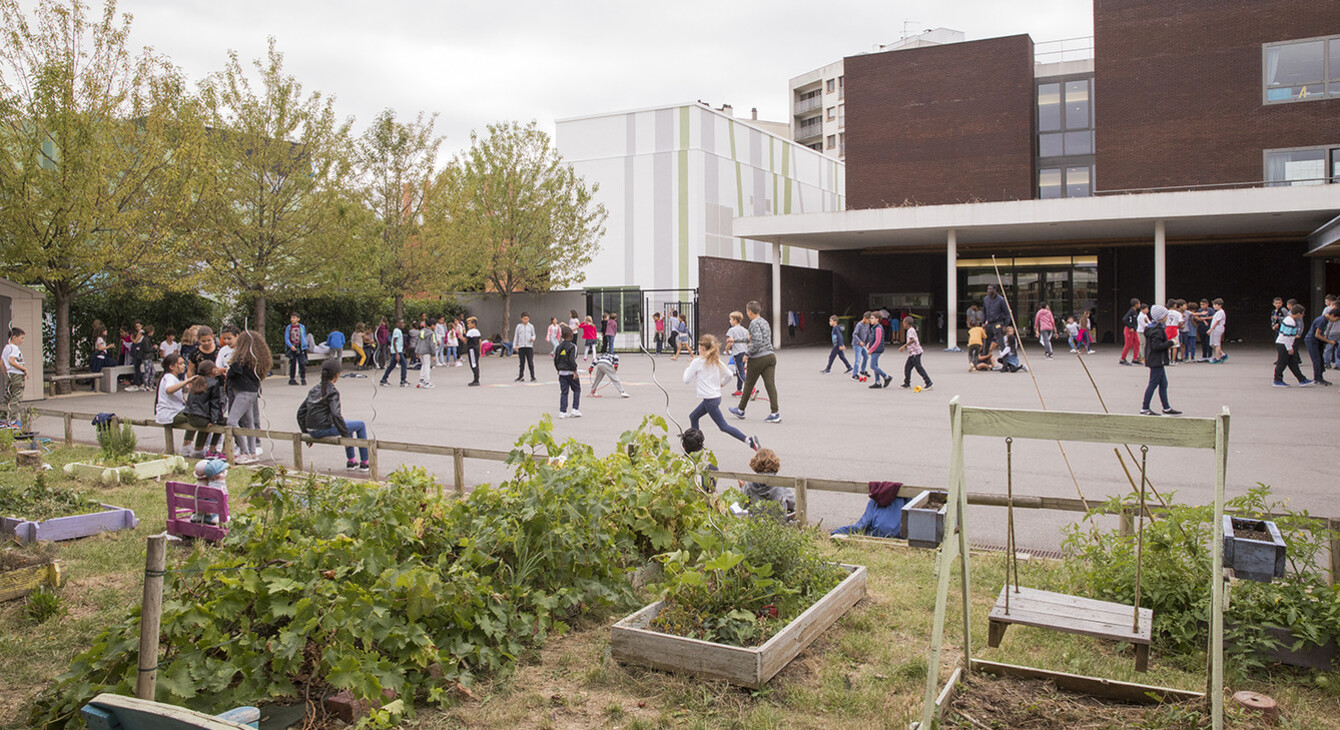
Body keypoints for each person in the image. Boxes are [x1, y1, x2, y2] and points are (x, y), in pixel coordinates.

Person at [684, 334, 758, 451]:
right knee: (693, 416)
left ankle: (748, 440)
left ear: (702, 347)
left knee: (723, 426)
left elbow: (686, 380)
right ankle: (695, 445)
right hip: (715, 397)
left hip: (710, 400)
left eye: (699, 345)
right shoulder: (715, 361)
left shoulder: (697, 362)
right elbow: (729, 374)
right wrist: (722, 384)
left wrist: (689, 367)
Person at [298, 359, 370, 473]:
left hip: (312, 429)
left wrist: (306, 433)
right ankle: (365, 463)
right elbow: (336, 415)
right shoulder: (332, 391)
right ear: (337, 375)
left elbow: (300, 413)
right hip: (323, 428)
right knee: (360, 425)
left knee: (347, 424)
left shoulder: (314, 389)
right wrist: (346, 438)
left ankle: (351, 461)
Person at [728, 301, 780, 422]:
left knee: (749, 384)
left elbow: (756, 341)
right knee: (770, 385)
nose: (747, 314)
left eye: (747, 311)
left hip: (758, 358)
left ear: (750, 312)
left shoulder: (753, 323)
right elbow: (751, 338)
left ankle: (740, 410)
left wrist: (747, 354)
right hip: (770, 356)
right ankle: (775, 413)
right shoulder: (764, 322)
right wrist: (735, 340)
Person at [226, 330, 269, 464]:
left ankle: (245, 451)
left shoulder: (242, 360)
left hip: (244, 392)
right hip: (251, 392)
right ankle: (252, 452)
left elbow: (232, 371)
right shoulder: (256, 360)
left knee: (231, 421)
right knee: (249, 422)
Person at [1140, 305, 1181, 416]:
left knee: (1163, 383)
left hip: (1156, 360)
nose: (1167, 316)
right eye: (1166, 315)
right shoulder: (1157, 330)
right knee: (1153, 383)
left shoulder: (1153, 327)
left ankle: (1166, 407)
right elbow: (1156, 346)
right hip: (1156, 360)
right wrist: (1171, 342)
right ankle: (1145, 408)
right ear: (1161, 317)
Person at [831, 482, 907, 538]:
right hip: (900, 534)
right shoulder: (905, 499)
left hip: (877, 533)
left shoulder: (875, 501)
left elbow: (862, 524)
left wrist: (836, 532)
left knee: (860, 526)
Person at [183, 360, 226, 458]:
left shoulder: (196, 380)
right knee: (225, 423)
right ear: (213, 370)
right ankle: (213, 449)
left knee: (209, 421)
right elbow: (215, 403)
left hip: (190, 416)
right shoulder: (213, 382)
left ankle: (198, 449)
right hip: (201, 418)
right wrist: (215, 420)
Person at [741, 448, 792, 521]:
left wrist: (742, 487)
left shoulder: (749, 484)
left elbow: (742, 505)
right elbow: (792, 504)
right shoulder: (781, 483)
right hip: (779, 525)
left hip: (757, 524)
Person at [1272, 304, 1312, 387]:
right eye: (1302, 314)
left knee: (1293, 363)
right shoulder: (1290, 321)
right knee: (1282, 363)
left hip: (1286, 343)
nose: (1302, 316)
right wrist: (1289, 348)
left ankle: (1302, 379)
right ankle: (1277, 380)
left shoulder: (1289, 320)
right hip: (1284, 344)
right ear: (1298, 314)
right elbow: (1286, 335)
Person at [1305, 305, 1338, 387]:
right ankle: (1317, 378)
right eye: (1336, 319)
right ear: (1332, 315)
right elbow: (1317, 334)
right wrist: (1329, 341)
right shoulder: (1322, 320)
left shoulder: (1325, 319)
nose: (1335, 321)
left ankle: (1320, 377)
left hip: (1317, 341)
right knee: (1317, 360)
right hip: (1312, 340)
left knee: (1320, 359)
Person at [553, 324, 581, 418]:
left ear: (561, 336)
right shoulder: (573, 346)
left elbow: (556, 359)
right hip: (570, 372)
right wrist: (575, 371)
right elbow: (572, 360)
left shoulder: (558, 347)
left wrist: (558, 369)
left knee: (564, 392)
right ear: (572, 335)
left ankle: (562, 411)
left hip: (561, 372)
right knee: (577, 389)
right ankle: (575, 409)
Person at [899, 316, 933, 390]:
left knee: (919, 368)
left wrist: (904, 346)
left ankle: (928, 382)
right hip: (912, 353)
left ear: (906, 323)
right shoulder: (911, 330)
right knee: (907, 368)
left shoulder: (910, 330)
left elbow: (912, 340)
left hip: (915, 353)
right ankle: (907, 383)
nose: (903, 325)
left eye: (903, 323)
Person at [192, 458, 229, 525]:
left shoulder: (196, 486)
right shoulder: (214, 488)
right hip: (211, 515)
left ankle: (200, 515)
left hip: (199, 513)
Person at [3, 328, 28, 427]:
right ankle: (14, 421)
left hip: (9, 374)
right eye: (21, 338)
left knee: (7, 395)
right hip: (16, 375)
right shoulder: (14, 348)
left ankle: (2, 419)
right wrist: (24, 369)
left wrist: (5, 373)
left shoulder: (6, 347)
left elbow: (2, 362)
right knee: (16, 396)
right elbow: (11, 361)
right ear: (14, 337)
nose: (22, 340)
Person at [724, 311, 750, 395]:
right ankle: (739, 390)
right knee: (740, 371)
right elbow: (748, 342)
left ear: (735, 320)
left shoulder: (732, 330)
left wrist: (727, 349)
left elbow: (730, 342)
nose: (729, 321)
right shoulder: (745, 330)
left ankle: (752, 389)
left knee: (741, 372)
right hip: (744, 352)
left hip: (737, 353)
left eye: (730, 319)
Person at [864, 311, 891, 389]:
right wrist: (869, 343)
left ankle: (886, 377)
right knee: (875, 365)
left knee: (872, 366)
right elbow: (873, 338)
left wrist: (871, 350)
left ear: (877, 319)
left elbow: (878, 341)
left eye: (872, 318)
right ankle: (877, 382)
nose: (870, 320)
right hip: (875, 348)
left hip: (877, 349)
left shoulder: (878, 328)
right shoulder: (874, 327)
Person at [379, 317, 408, 387]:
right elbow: (394, 342)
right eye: (402, 323)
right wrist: (397, 353)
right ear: (397, 324)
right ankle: (403, 380)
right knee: (404, 364)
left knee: (391, 366)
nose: (403, 324)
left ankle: (383, 379)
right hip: (397, 351)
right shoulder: (397, 331)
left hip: (397, 351)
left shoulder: (398, 331)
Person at [982, 284, 1010, 349]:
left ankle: (1004, 357)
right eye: (988, 289)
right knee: (986, 342)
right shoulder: (986, 299)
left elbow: (1007, 313)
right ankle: (985, 356)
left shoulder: (1001, 300)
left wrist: (1006, 325)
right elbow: (984, 311)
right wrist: (983, 322)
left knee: (1000, 341)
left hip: (998, 323)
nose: (988, 291)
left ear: (995, 290)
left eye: (990, 289)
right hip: (989, 323)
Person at [284, 313, 308, 386]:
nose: (292, 319)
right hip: (292, 347)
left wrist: (304, 344)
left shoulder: (302, 327)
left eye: (294, 318)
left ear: (298, 319)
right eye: (291, 318)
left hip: (301, 347)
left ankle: (303, 378)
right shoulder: (288, 327)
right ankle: (292, 379)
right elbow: (286, 338)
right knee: (293, 363)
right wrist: (290, 346)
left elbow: (304, 336)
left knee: (302, 363)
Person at [414, 317, 436, 389]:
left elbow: (417, 341)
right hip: (426, 351)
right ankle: (427, 382)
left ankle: (421, 380)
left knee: (423, 365)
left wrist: (416, 351)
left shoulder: (421, 331)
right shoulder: (431, 333)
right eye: (435, 325)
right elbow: (432, 344)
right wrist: (433, 354)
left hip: (420, 351)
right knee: (427, 365)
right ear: (432, 325)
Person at [514, 312, 537, 382]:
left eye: (527, 319)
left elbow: (534, 335)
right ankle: (521, 376)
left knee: (530, 362)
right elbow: (516, 336)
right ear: (521, 319)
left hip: (529, 346)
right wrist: (515, 345)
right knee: (522, 362)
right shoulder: (519, 326)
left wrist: (533, 338)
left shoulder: (531, 326)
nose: (525, 320)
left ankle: (532, 376)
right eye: (524, 319)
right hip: (521, 346)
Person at [1119, 298, 1142, 365]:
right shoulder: (1131, 311)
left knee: (1137, 343)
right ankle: (1122, 359)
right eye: (1139, 303)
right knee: (1128, 344)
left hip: (1134, 330)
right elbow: (1124, 319)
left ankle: (1135, 358)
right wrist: (1130, 327)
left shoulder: (1135, 311)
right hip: (1129, 330)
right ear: (1135, 304)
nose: (1139, 305)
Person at [851, 311, 871, 379]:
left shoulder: (867, 325)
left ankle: (863, 370)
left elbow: (868, 334)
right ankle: (855, 374)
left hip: (863, 344)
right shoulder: (859, 325)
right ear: (865, 318)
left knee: (866, 356)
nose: (869, 322)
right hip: (857, 344)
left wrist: (869, 342)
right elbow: (854, 334)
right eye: (869, 320)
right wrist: (859, 342)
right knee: (858, 359)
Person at [1208, 298, 1228, 363]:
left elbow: (1216, 321)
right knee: (1212, 344)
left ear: (1220, 305)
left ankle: (1218, 358)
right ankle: (1223, 354)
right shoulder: (1217, 312)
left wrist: (1210, 329)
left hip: (1217, 329)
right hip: (1214, 329)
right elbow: (1213, 318)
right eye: (1213, 305)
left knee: (1216, 344)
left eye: (1215, 305)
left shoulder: (1221, 312)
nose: (1214, 306)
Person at [464, 316, 482, 386]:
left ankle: (476, 380)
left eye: (469, 324)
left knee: (473, 364)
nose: (468, 325)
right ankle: (476, 378)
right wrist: (480, 350)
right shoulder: (477, 331)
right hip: (476, 348)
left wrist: (459, 334)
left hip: (471, 349)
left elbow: (465, 340)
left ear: (473, 324)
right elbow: (480, 341)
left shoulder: (470, 332)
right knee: (476, 363)